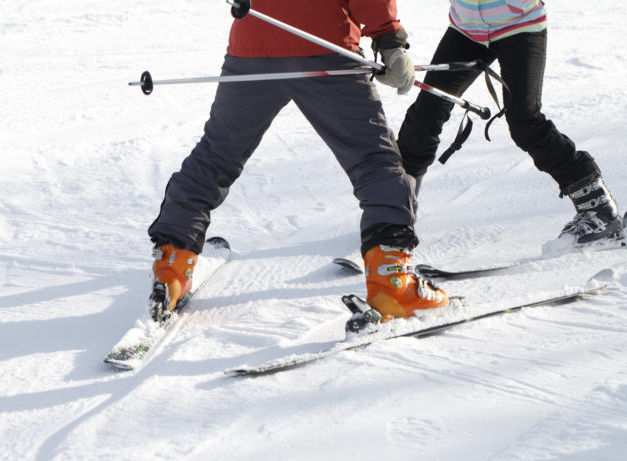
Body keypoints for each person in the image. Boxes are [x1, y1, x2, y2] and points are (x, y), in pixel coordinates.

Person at [147, 0, 449, 325]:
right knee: (374, 159)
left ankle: (172, 266)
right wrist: (390, 43)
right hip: (324, 47)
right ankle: (392, 282)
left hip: (253, 45)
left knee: (216, 154)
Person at [397, 0, 623, 245]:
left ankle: (598, 206)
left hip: (520, 25)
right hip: (467, 28)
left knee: (524, 121)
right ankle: (395, 207)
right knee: (427, 112)